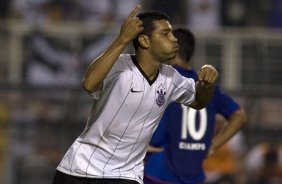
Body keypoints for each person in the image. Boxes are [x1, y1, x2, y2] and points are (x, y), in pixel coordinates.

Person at [52, 5, 218, 184]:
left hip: (126, 175)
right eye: (165, 33)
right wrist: (122, 39)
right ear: (145, 41)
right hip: (80, 169)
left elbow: (199, 101)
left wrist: (207, 84)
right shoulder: (119, 66)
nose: (174, 39)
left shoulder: (172, 78)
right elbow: (89, 83)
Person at [144, 28, 247, 184]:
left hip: (160, 173)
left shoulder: (163, 80)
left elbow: (154, 139)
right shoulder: (209, 87)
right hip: (193, 175)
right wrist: (213, 146)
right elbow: (239, 116)